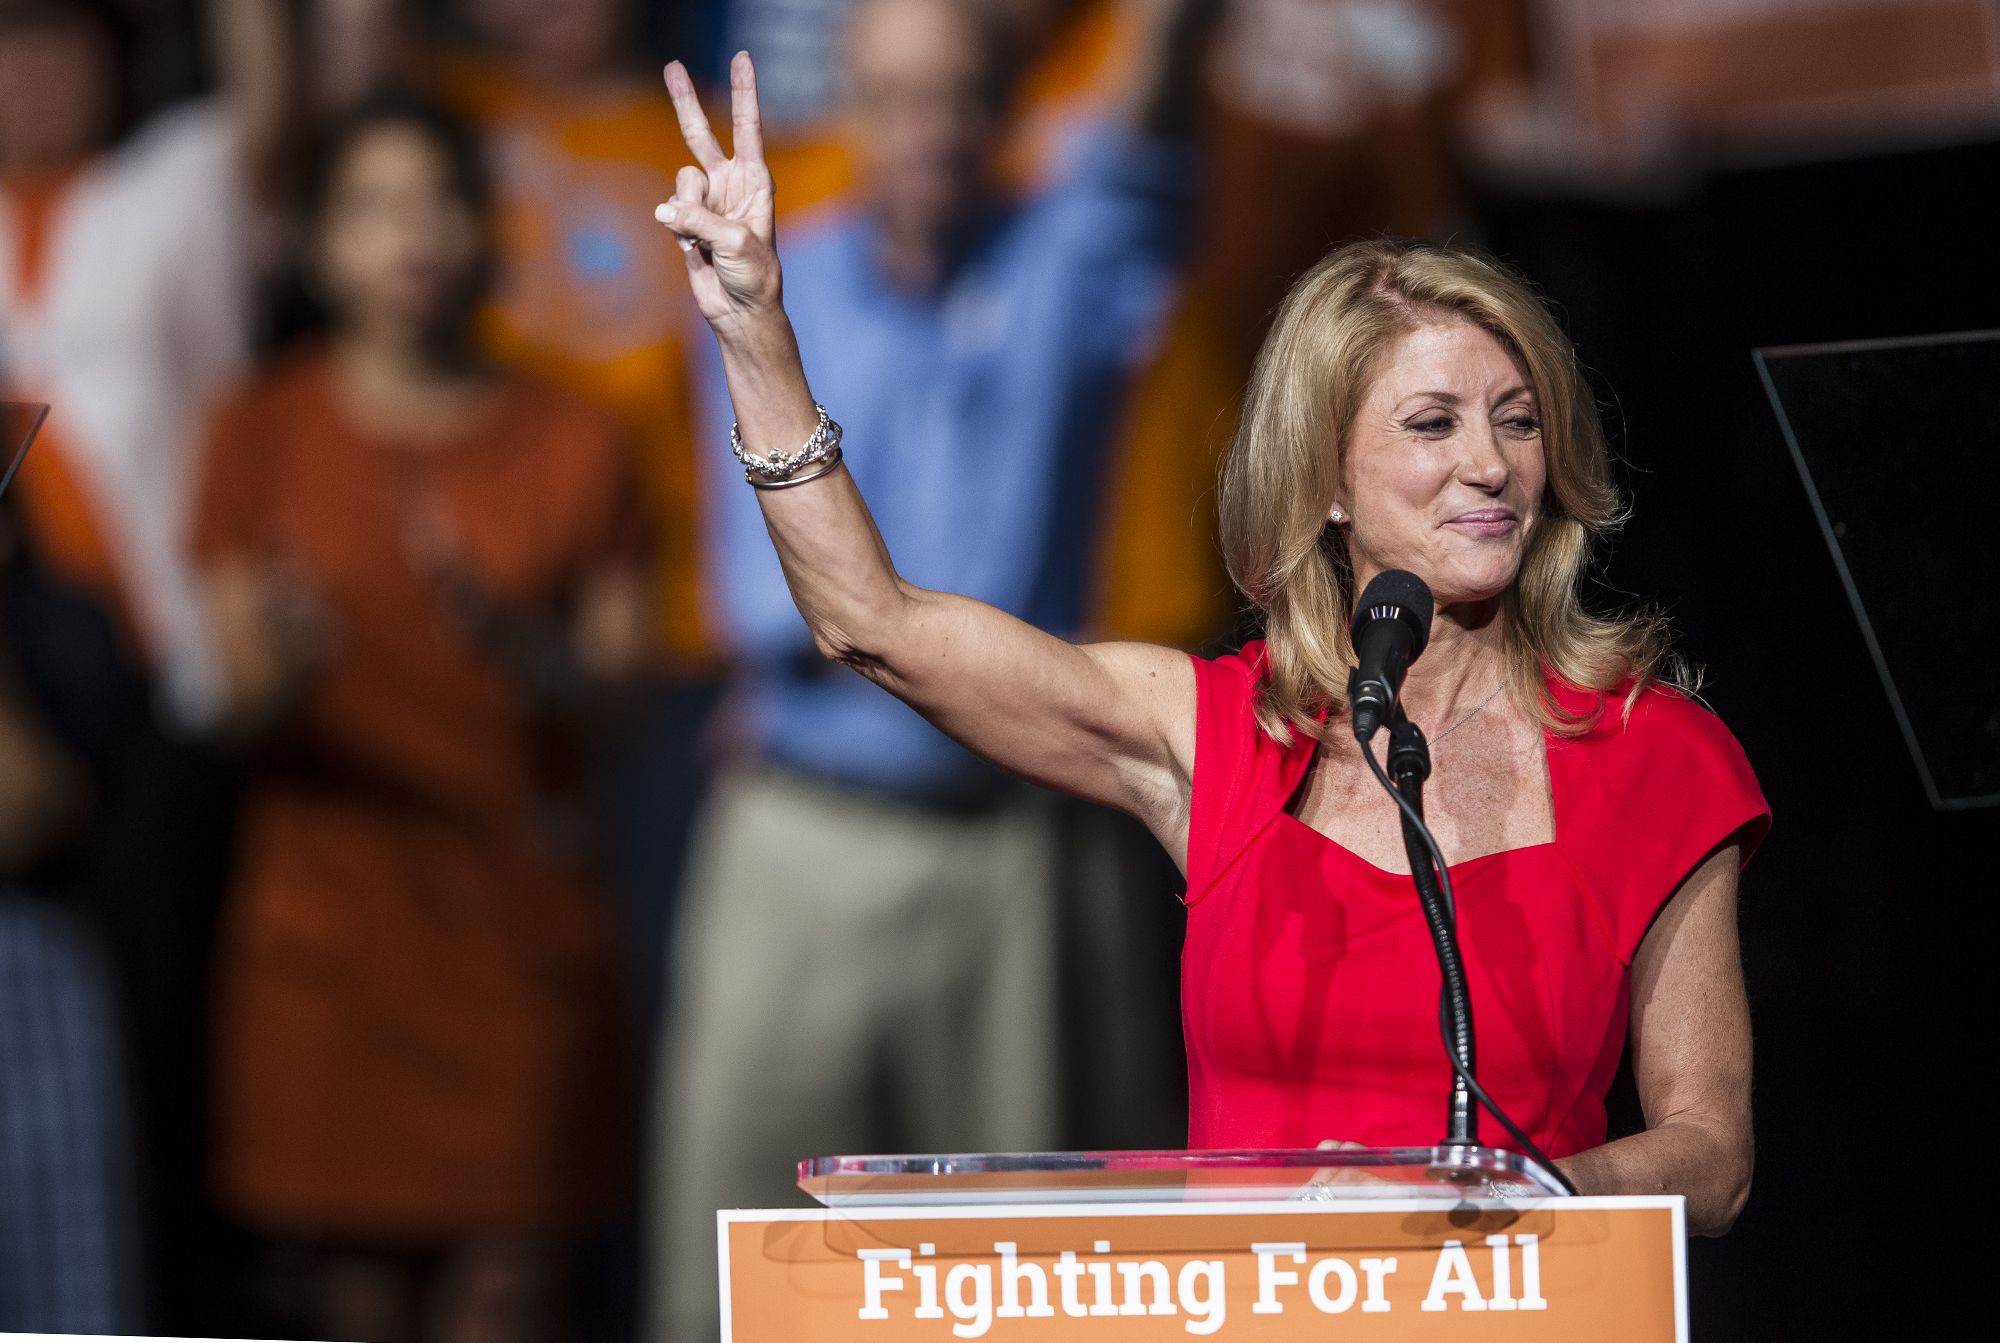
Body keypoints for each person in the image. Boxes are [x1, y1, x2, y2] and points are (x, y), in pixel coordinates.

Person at [655, 50, 1770, 1239]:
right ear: (1327, 477)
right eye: (1430, 424)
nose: (1488, 464)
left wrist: (1520, 1191)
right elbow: (871, 624)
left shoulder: (1654, 755)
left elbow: (1711, 1154)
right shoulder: (1220, 735)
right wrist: (753, 331)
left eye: (1516, 420)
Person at [649, 1, 1220, 1335]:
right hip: (804, 822)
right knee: (743, 1263)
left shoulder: (1064, 257)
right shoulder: (767, 272)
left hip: (1009, 837)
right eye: (897, 96)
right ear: (848, 110)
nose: (930, 129)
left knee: (1022, 1276)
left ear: (1009, 108)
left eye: (961, 94)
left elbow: (1149, 124)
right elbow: (799, 615)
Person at [190, 94, 648, 1343]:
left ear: (486, 228)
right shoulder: (257, 427)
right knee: (347, 1298)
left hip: (515, 940)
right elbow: (230, 711)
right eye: (372, 206)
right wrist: (287, 660)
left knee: (511, 1293)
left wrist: (521, 648)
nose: (412, 235)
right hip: (326, 940)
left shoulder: (572, 436)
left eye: (439, 200)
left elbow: (621, 701)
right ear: (317, 243)